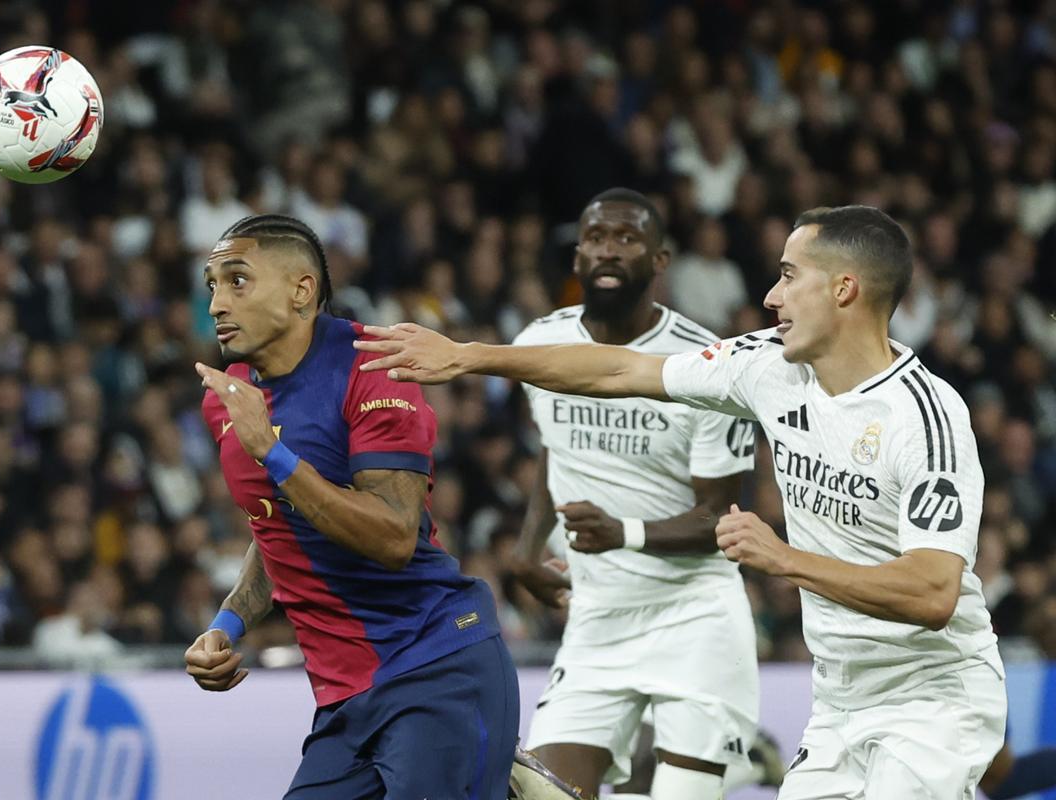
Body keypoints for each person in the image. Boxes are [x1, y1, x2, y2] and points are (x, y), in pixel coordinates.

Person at [355, 205, 1008, 799]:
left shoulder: (924, 418)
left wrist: (785, 560)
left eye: (788, 275)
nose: (770, 295)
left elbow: (932, 594)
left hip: (934, 694)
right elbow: (618, 369)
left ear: (844, 289)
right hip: (840, 696)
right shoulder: (765, 365)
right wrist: (470, 357)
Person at [182, 214, 519, 799]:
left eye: (237, 281)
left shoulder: (372, 366)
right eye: (211, 283)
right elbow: (279, 527)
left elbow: (393, 536)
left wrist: (274, 453)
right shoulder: (231, 399)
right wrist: (228, 623)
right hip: (343, 701)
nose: (216, 303)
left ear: (301, 291)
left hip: (434, 669)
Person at [508, 188, 764, 800]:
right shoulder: (537, 345)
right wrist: (525, 549)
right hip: (597, 619)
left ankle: (747, 761)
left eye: (627, 239)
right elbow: (554, 448)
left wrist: (624, 532)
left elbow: (722, 520)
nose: (608, 250)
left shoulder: (706, 364)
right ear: (576, 257)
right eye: (596, 237)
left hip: (695, 617)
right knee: (540, 794)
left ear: (659, 260)